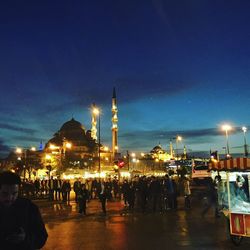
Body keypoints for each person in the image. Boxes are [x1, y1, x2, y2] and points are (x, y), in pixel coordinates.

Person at [0, 171, 48, 250]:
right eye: (4, 194)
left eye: (14, 193)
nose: (10, 198)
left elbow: (41, 237)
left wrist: (25, 238)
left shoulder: (29, 208)